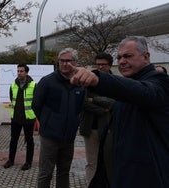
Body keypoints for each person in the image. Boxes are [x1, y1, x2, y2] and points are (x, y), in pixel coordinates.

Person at [70, 36, 169, 188]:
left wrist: (98, 79)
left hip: (146, 177)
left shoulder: (160, 82)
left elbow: (143, 92)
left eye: (128, 56)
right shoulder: (126, 85)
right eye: (119, 57)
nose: (122, 61)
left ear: (146, 56)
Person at [32, 48, 86, 188]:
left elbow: (80, 107)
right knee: (45, 173)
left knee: (64, 172)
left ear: (75, 62)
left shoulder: (80, 84)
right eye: (62, 61)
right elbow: (36, 105)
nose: (65, 64)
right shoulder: (47, 82)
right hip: (50, 137)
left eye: (68, 61)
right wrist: (46, 122)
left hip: (69, 138)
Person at [79, 53, 115, 186]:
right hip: (91, 128)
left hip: (109, 128)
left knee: (109, 161)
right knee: (92, 162)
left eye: (103, 64)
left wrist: (93, 99)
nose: (100, 67)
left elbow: (114, 102)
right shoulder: (87, 81)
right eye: (98, 64)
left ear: (110, 65)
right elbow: (83, 102)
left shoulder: (115, 82)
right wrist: (103, 109)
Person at [3, 64, 37, 171]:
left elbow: (36, 102)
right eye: (18, 71)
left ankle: (28, 162)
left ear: (26, 72)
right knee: (13, 140)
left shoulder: (33, 85)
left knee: (29, 141)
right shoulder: (13, 85)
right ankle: (10, 160)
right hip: (16, 118)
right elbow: (11, 98)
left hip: (28, 118)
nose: (19, 73)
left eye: (21, 71)